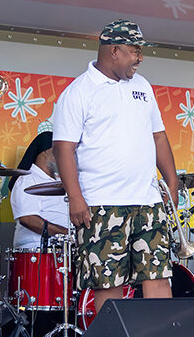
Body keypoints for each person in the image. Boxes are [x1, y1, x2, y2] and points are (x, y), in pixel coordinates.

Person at [51, 19, 180, 318]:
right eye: (135, 50)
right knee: (108, 285)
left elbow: (158, 136)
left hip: (147, 201)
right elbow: (63, 148)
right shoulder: (79, 91)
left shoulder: (143, 86)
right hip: (102, 204)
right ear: (115, 51)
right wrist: (76, 198)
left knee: (158, 278)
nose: (140, 57)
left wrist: (171, 182)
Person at [9, 130, 71, 249]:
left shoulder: (59, 181)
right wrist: (66, 233)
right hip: (37, 249)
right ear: (45, 152)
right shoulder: (27, 180)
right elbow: (28, 219)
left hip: (62, 248)